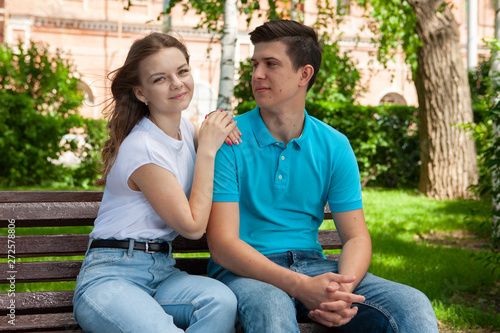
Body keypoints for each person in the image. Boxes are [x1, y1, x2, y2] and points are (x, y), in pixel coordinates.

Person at [206, 20, 439, 333]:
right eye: (255, 64)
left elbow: (356, 237)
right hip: (247, 272)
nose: (257, 74)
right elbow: (222, 245)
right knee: (272, 309)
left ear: (304, 74)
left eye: (271, 64)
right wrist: (301, 286)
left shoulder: (334, 145)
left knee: (413, 304)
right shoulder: (228, 139)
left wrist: (341, 292)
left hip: (316, 267)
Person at [72, 32, 239, 333]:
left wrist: (217, 127)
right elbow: (191, 226)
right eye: (160, 79)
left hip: (162, 273)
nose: (176, 83)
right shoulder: (142, 147)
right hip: (111, 277)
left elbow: (212, 132)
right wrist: (209, 151)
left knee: (220, 301)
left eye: (182, 71)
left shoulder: (185, 131)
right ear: (141, 93)